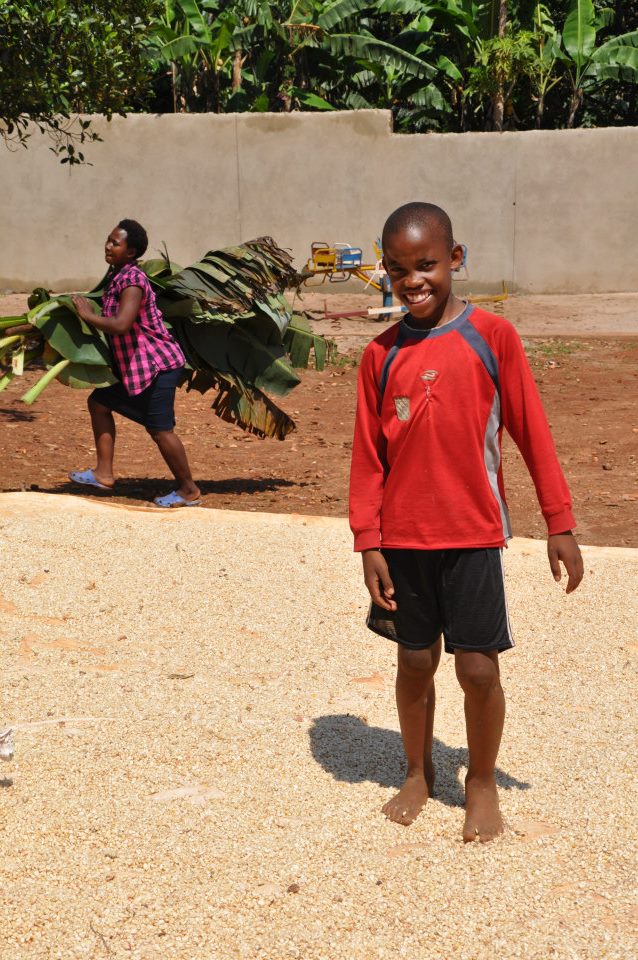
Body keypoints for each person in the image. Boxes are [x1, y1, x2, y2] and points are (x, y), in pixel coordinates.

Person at [349, 202, 583, 842]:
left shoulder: (492, 337)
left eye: (425, 265)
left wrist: (558, 521)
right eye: (397, 269)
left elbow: (532, 432)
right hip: (402, 541)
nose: (412, 281)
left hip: (474, 534)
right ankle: (418, 772)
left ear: (455, 258)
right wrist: (367, 541)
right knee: (415, 660)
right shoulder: (380, 354)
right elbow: (368, 458)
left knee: (478, 668)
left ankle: (479, 780)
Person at [69, 219, 201, 507]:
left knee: (160, 429)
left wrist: (86, 314)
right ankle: (103, 473)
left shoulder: (132, 281)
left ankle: (188, 490)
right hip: (137, 370)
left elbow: (120, 324)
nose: (108, 245)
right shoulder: (118, 276)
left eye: (115, 243)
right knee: (100, 403)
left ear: (131, 252)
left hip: (157, 366)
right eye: (108, 240)